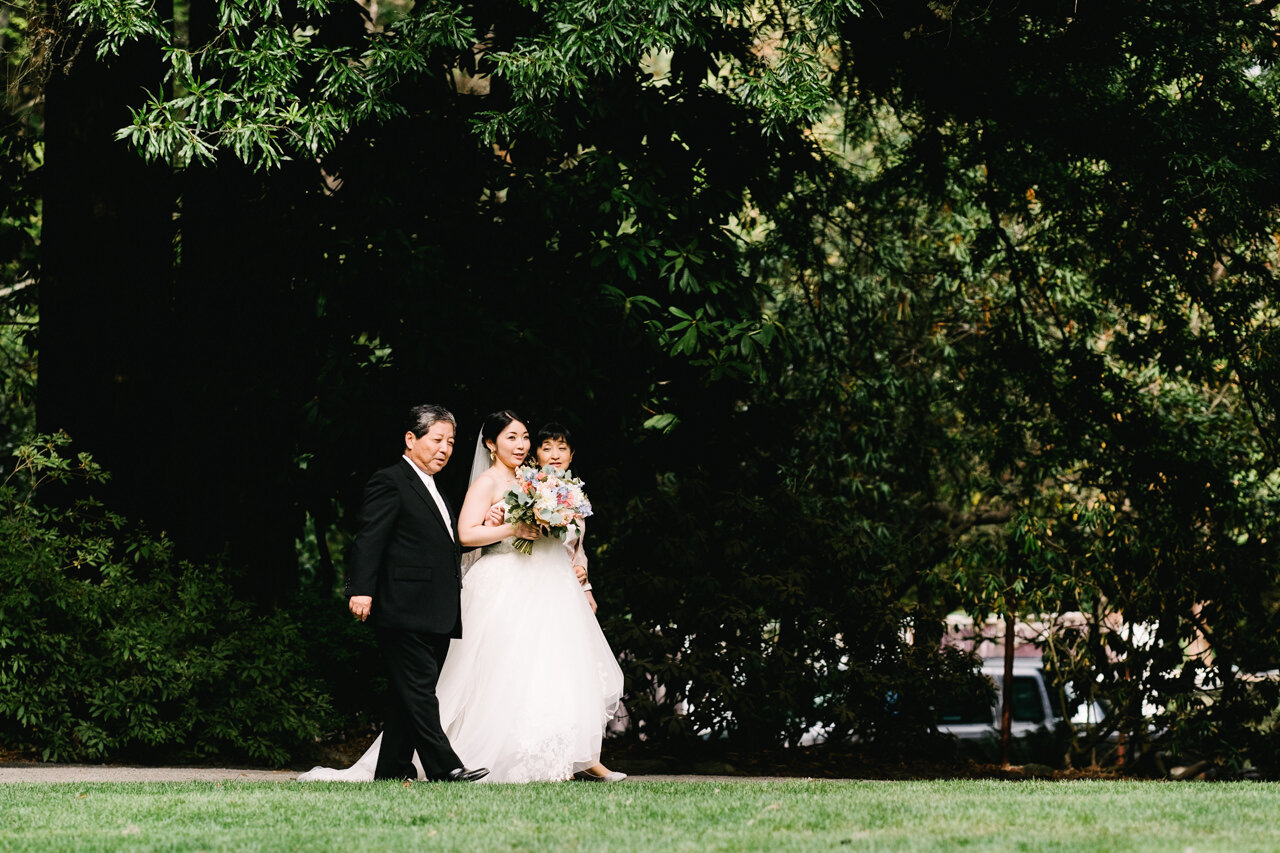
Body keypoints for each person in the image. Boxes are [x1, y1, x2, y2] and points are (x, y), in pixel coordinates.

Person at [297, 405, 487, 783]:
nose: (445, 449)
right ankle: (444, 766)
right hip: (402, 605)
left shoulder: (436, 487)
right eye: (437, 440)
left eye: (451, 442)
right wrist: (361, 590)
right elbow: (370, 538)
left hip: (436, 607)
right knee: (419, 692)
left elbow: (442, 545)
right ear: (411, 439)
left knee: (408, 695)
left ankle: (392, 770)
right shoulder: (391, 480)